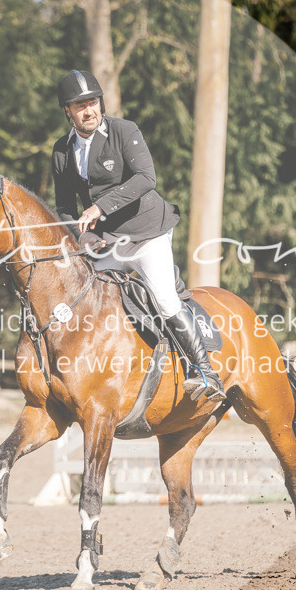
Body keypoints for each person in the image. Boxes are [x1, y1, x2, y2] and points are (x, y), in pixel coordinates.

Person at [51, 69, 224, 401]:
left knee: (163, 298)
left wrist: (99, 209)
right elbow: (64, 206)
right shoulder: (62, 150)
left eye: (93, 103)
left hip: (147, 234)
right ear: (68, 112)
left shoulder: (123, 130)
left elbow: (146, 178)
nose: (89, 111)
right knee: (76, 300)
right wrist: (81, 236)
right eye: (80, 105)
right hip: (106, 243)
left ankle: (205, 371)